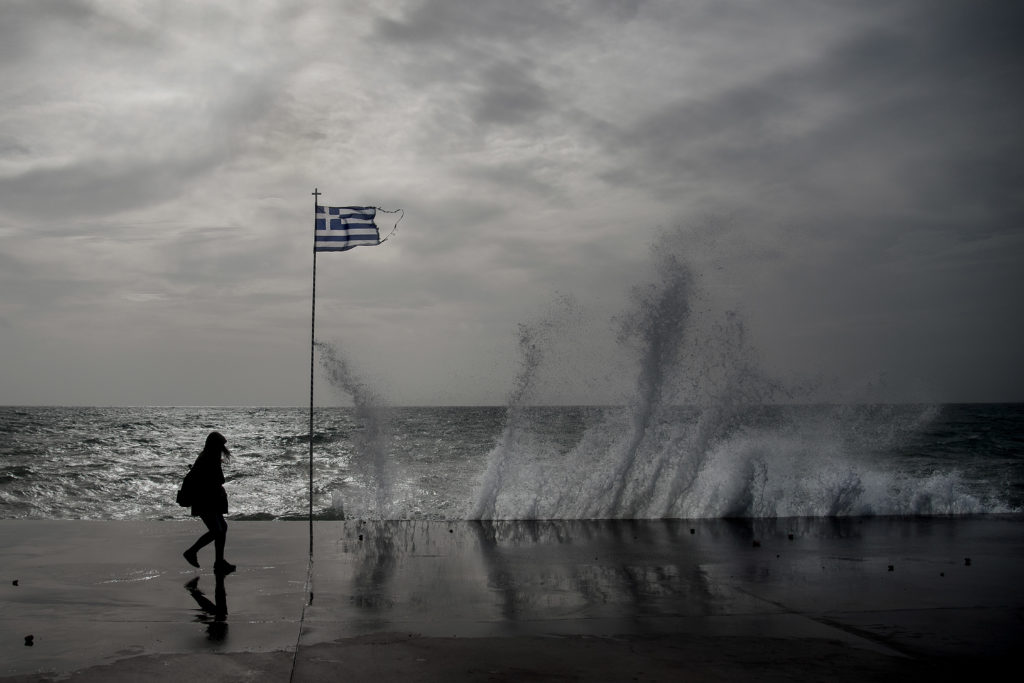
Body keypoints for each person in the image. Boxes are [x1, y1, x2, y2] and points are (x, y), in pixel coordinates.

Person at [183, 431, 235, 574]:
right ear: (215, 445)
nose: (222, 449)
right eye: (220, 445)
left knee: (222, 528)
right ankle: (191, 552)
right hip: (204, 500)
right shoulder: (209, 458)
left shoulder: (207, 456)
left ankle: (219, 562)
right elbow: (219, 480)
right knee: (217, 530)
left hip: (207, 500)